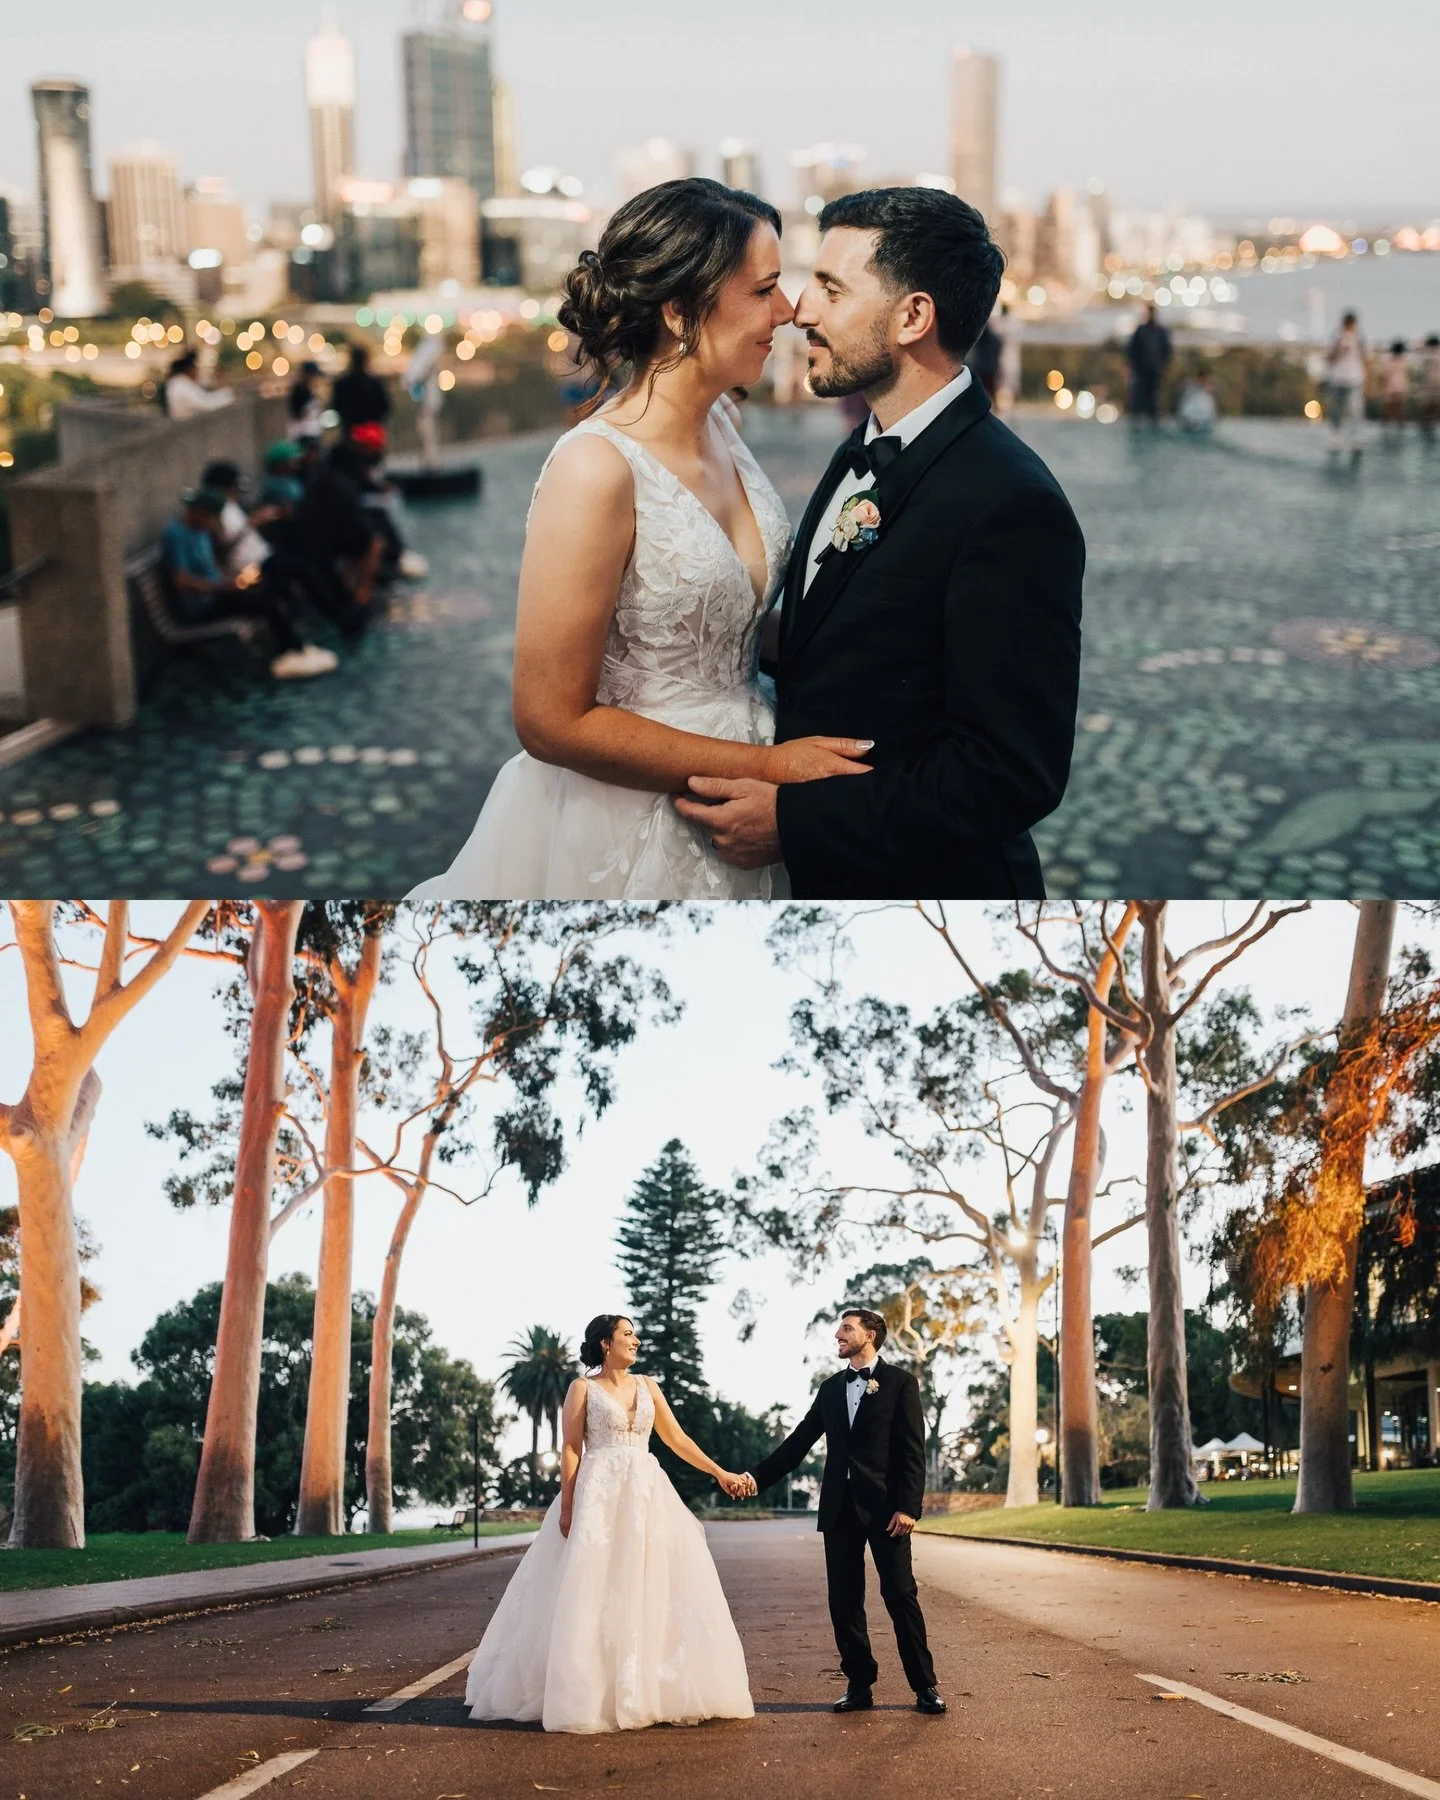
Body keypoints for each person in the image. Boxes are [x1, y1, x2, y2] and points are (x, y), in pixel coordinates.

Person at [407, 178, 871, 901]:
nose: (787, 313)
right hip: (625, 815)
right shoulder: (596, 469)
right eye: (765, 291)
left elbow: (728, 622)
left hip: (746, 797)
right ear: (682, 310)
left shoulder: (726, 424)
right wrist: (772, 769)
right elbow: (549, 720)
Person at [674, 186, 1085, 900]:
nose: (801, 310)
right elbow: (850, 636)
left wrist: (797, 823)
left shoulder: (1011, 504)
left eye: (831, 289)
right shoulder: (863, 449)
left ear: (913, 316)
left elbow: (1012, 773)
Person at [464, 1314, 754, 1733]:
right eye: (627, 1334)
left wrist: (719, 1472)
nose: (635, 1340)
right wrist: (568, 1505)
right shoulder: (583, 1388)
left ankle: (644, 1685)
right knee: (591, 1587)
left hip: (646, 1494)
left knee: (647, 1584)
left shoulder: (649, 1387)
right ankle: (588, 1690)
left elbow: (677, 1440)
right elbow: (570, 1448)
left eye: (635, 1334)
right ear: (605, 1343)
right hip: (598, 1495)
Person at [741, 1308, 946, 1718]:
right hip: (839, 1510)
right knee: (845, 1601)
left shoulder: (901, 1384)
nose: (838, 1334)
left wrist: (909, 1507)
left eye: (847, 1328)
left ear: (870, 1335)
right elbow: (798, 1442)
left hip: (888, 1511)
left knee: (900, 1595)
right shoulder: (831, 1388)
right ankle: (859, 1684)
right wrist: (755, 1478)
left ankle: (924, 1686)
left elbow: (912, 1452)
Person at [160, 488, 336, 679]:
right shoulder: (177, 535)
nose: (213, 524)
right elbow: (181, 580)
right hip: (203, 604)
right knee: (265, 601)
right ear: (199, 512)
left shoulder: (200, 532)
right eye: (211, 518)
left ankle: (292, 646)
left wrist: (234, 581)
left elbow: (211, 569)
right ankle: (291, 649)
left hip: (219, 592)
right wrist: (225, 587)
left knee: (270, 588)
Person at [1325, 312, 1368, 455]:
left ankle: (1356, 440)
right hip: (1337, 379)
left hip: (1355, 379)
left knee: (1355, 411)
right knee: (1336, 410)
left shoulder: (1360, 338)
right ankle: (1336, 437)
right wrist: (1340, 349)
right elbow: (1329, 358)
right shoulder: (1335, 337)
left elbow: (1366, 357)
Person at [330, 342, 391, 437]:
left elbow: (337, 406)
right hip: (371, 435)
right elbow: (385, 406)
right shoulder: (375, 383)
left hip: (350, 433)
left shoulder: (341, 383)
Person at [1126, 303, 1172, 425]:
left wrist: (1163, 365)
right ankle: (1138, 418)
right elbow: (1132, 349)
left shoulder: (1160, 331)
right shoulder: (1142, 330)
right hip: (1142, 369)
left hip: (1154, 369)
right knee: (1140, 393)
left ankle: (1152, 418)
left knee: (1153, 394)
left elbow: (1167, 350)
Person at [164, 350, 233, 422]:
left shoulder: (180, 383)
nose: (197, 372)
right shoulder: (180, 385)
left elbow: (205, 394)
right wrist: (228, 395)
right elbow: (206, 404)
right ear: (190, 370)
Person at [287, 360, 325, 443]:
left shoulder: (308, 389)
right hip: (304, 434)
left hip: (310, 432)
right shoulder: (299, 390)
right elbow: (297, 414)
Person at [1176, 370, 1218, 434]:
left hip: (1203, 413)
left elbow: (1214, 388)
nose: (1200, 380)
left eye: (1202, 378)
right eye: (1199, 378)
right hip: (1191, 412)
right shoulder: (1190, 385)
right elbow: (1180, 387)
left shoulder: (1207, 388)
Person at [1382, 341, 1410, 429]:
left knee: (1388, 408)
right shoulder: (1403, 361)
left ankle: (1385, 426)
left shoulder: (1389, 361)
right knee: (1400, 408)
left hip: (1390, 386)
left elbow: (1385, 375)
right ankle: (1401, 426)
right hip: (1400, 385)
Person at [1420, 335, 1440, 440]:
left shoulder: (1428, 353)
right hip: (1434, 382)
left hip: (1431, 382)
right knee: (1431, 404)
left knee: (1430, 405)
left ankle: (1428, 423)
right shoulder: (1430, 353)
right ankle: (1430, 422)